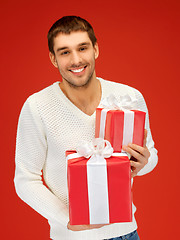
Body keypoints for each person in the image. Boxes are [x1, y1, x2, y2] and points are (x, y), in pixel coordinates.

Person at [14, 16, 158, 240]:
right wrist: (67, 220)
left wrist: (144, 162)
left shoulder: (129, 97)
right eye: (64, 52)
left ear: (96, 49)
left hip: (126, 233)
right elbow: (25, 179)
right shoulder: (38, 106)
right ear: (53, 59)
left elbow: (151, 158)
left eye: (83, 48)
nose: (76, 59)